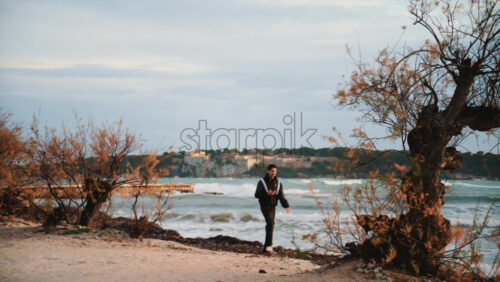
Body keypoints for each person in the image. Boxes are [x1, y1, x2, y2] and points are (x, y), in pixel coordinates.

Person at [254, 164, 290, 254]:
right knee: (270, 223)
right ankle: (269, 246)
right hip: (264, 206)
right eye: (272, 171)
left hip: (273, 207)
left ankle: (266, 247)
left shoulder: (278, 183)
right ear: (268, 171)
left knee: (271, 224)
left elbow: (281, 196)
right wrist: (267, 194)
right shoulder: (261, 182)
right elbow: (256, 195)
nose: (274, 173)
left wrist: (286, 206)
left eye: (275, 171)